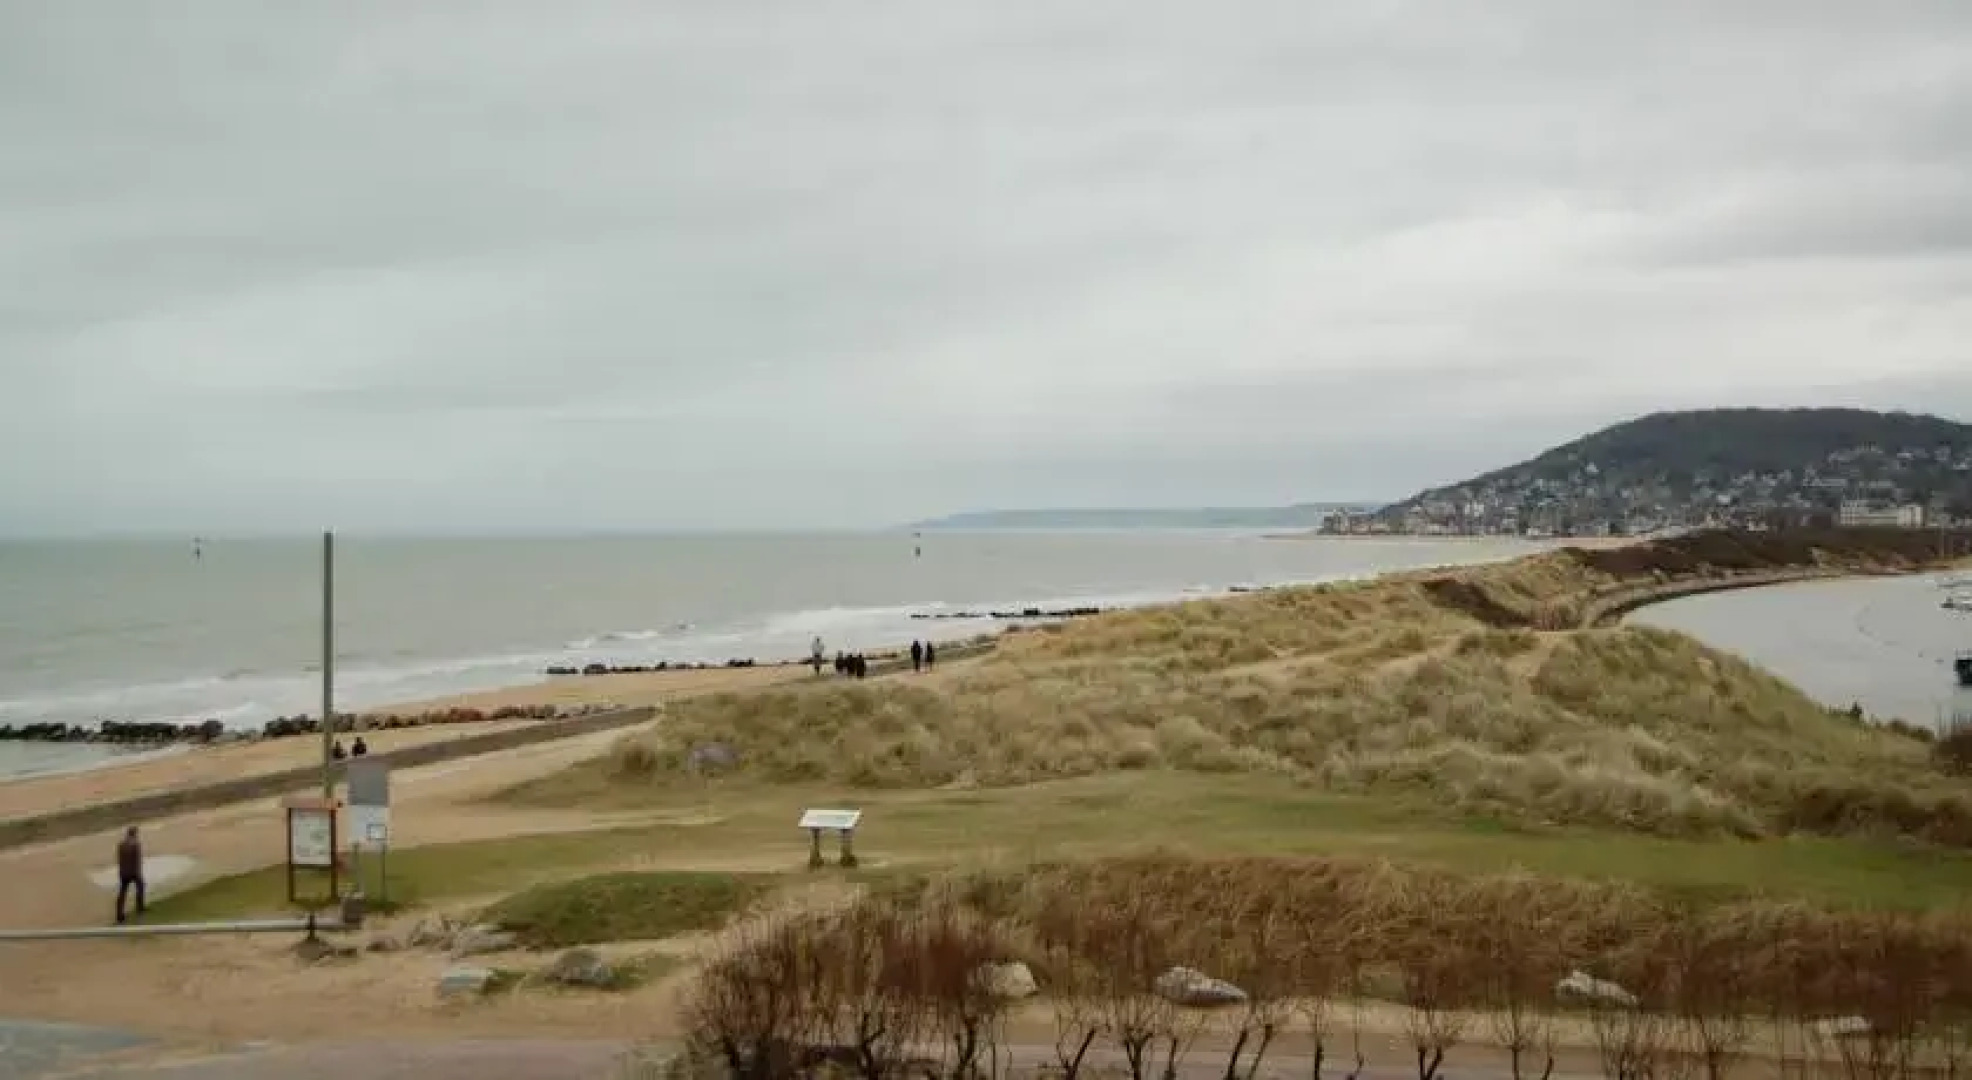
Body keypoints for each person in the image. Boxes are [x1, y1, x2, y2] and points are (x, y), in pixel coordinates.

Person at [115, 826, 146, 924]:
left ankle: (119, 914)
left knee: (122, 892)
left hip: (123, 872)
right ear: (135, 834)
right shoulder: (136, 844)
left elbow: (120, 859)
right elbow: (137, 860)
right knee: (141, 887)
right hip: (133, 872)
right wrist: (138, 871)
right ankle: (140, 907)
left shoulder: (121, 844)